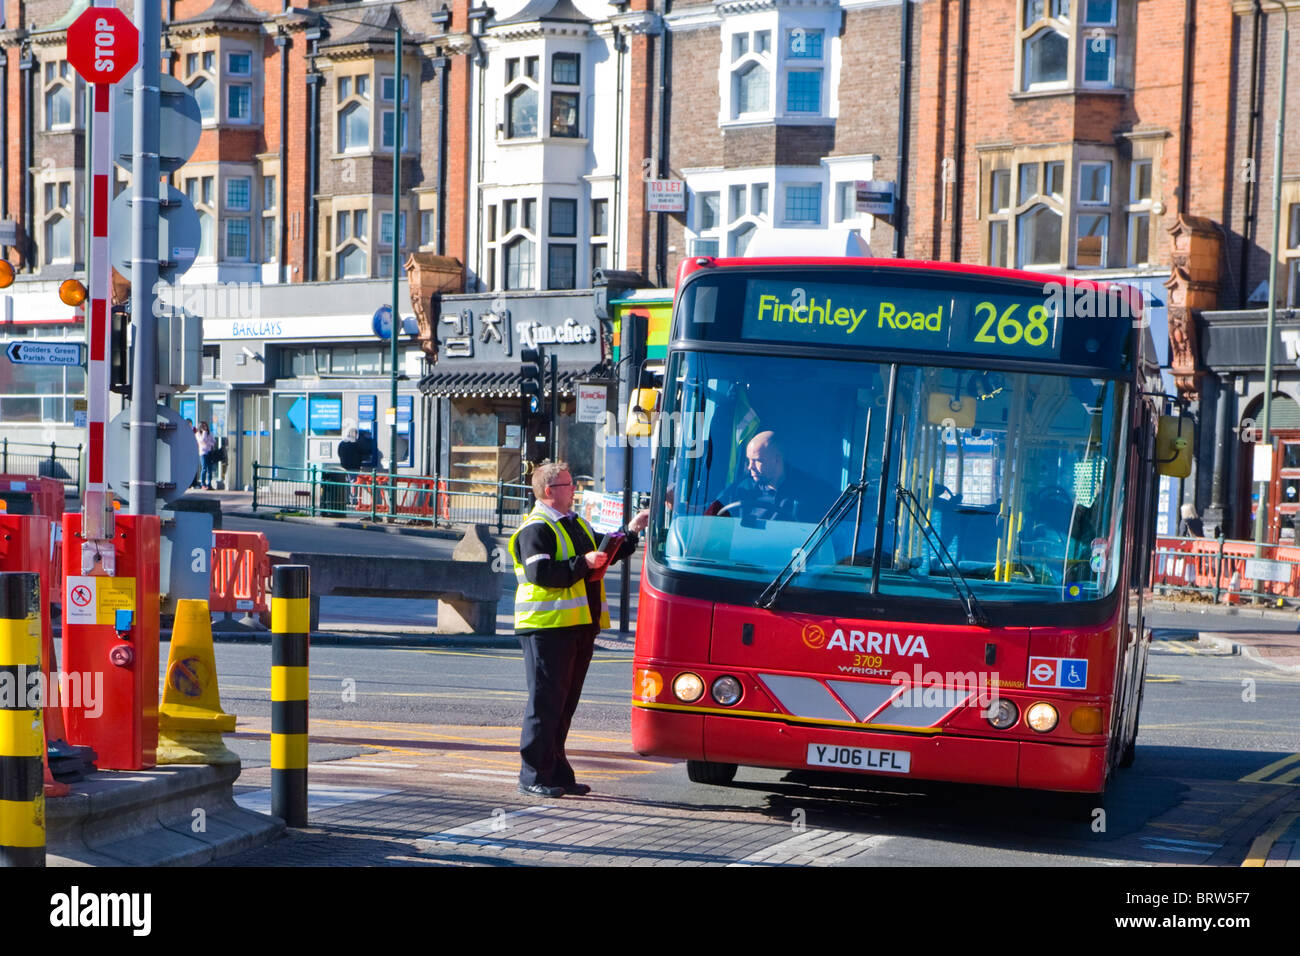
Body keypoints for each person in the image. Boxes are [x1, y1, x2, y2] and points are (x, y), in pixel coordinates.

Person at [509, 460, 649, 797]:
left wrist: (632, 530)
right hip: (547, 627)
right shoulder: (537, 528)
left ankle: (556, 772)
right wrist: (582, 563)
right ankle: (533, 775)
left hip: (577, 627)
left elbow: (605, 550)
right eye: (568, 486)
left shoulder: (574, 522)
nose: (575, 490)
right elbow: (541, 575)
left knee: (564, 704)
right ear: (548, 491)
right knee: (545, 704)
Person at [707, 430, 835, 523]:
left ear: (777, 460)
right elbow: (712, 514)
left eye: (757, 461)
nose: (750, 467)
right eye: (748, 460)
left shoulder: (811, 491)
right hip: (741, 558)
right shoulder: (741, 488)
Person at [196, 421, 217, 490]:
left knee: (210, 469)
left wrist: (209, 443)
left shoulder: (210, 433)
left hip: (210, 452)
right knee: (204, 468)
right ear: (200, 427)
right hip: (203, 453)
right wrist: (204, 433)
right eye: (203, 426)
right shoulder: (198, 434)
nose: (205, 427)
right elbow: (202, 440)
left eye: (206, 426)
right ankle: (203, 484)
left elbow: (214, 441)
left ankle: (209, 484)